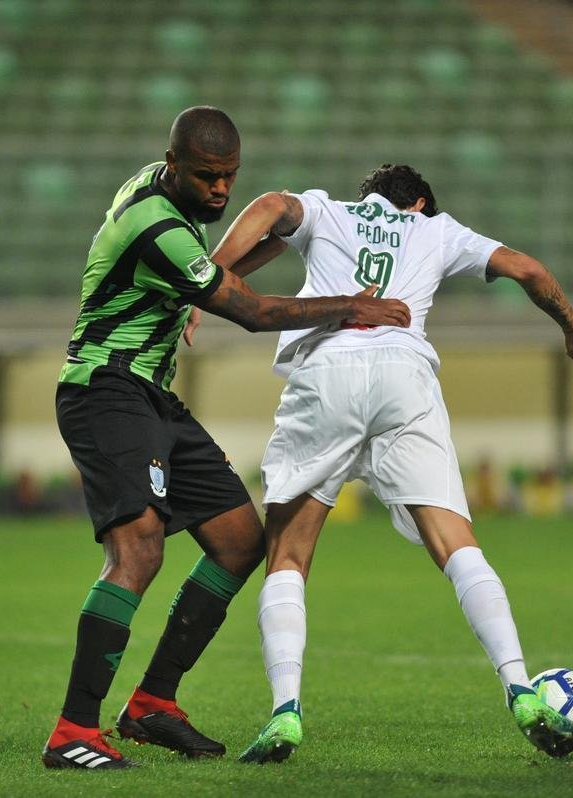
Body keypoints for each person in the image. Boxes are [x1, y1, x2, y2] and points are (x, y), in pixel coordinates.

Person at [42, 107, 412, 770]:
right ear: (174, 165)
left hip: (150, 393)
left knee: (243, 541)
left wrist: (269, 254)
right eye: (208, 178)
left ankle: (153, 703)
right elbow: (251, 312)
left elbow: (228, 271)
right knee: (140, 549)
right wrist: (351, 306)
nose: (220, 191)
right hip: (106, 390)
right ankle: (73, 729)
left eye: (230, 177)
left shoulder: (155, 193)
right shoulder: (156, 228)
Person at [205, 164, 573, 763]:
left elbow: (267, 205)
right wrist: (572, 325)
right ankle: (520, 686)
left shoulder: (329, 210)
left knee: (288, 555)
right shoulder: (437, 229)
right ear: (419, 202)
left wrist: (211, 278)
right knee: (456, 543)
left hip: (327, 368)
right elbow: (528, 269)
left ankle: (285, 711)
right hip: (404, 375)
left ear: (369, 198)